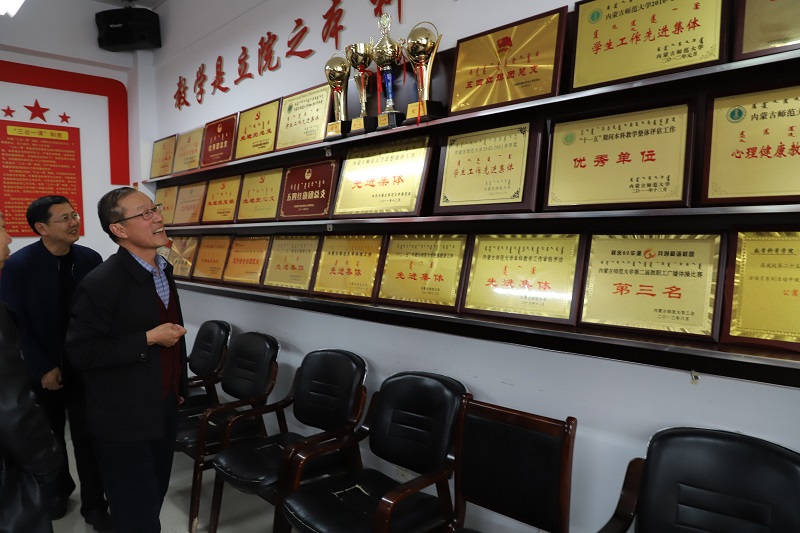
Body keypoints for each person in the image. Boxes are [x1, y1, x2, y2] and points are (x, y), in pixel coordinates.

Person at [66, 187, 188, 533]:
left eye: (155, 209)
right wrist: (148, 338)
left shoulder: (162, 268)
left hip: (162, 404)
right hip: (122, 416)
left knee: (154, 494)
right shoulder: (101, 283)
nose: (158, 217)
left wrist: (177, 387)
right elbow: (81, 352)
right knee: (134, 510)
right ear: (119, 229)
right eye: (145, 214)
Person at [0, 196, 111, 532]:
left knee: (88, 437)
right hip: (44, 367)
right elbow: (16, 324)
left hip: (85, 366)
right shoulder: (20, 265)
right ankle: (59, 491)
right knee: (52, 435)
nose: (74, 222)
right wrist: (42, 366)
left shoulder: (89, 258)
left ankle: (95, 503)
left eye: (74, 214)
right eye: (64, 218)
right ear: (42, 228)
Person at [0, 208, 63, 533]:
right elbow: (10, 407)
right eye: (1, 228)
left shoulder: (88, 258)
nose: (9, 237)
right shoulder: (21, 265)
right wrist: (47, 461)